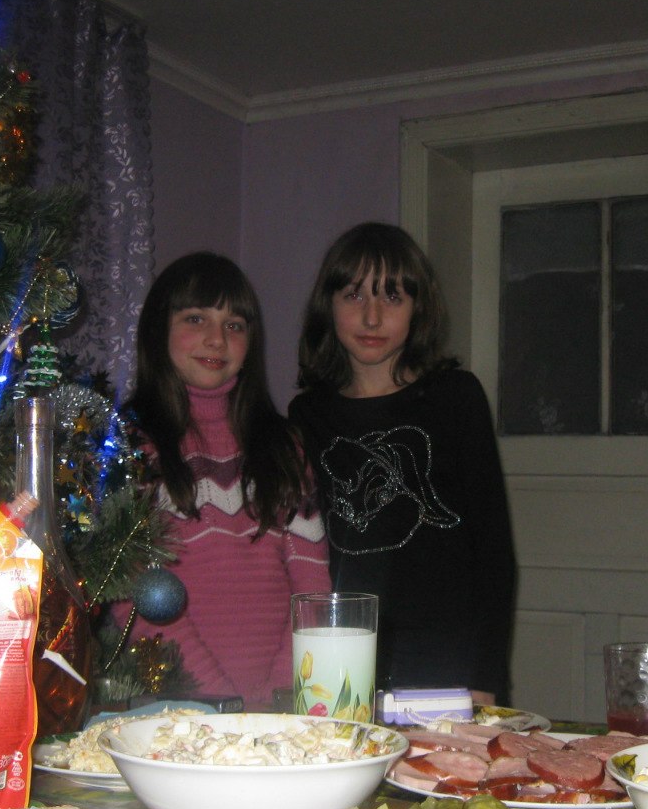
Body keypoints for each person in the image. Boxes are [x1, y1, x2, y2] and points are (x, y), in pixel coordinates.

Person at [289, 222, 517, 705]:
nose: (372, 317)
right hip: (342, 659)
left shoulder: (456, 398)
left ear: (419, 308)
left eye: (392, 296)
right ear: (328, 306)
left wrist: (486, 677)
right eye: (354, 295)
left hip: (447, 664)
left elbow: (494, 553)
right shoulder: (307, 414)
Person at [118, 252, 330, 707]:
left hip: (280, 703)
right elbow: (134, 599)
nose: (217, 339)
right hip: (176, 703)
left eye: (235, 325)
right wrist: (217, 701)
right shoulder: (126, 448)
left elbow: (312, 586)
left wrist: (278, 692)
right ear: (158, 329)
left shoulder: (284, 446)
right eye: (196, 319)